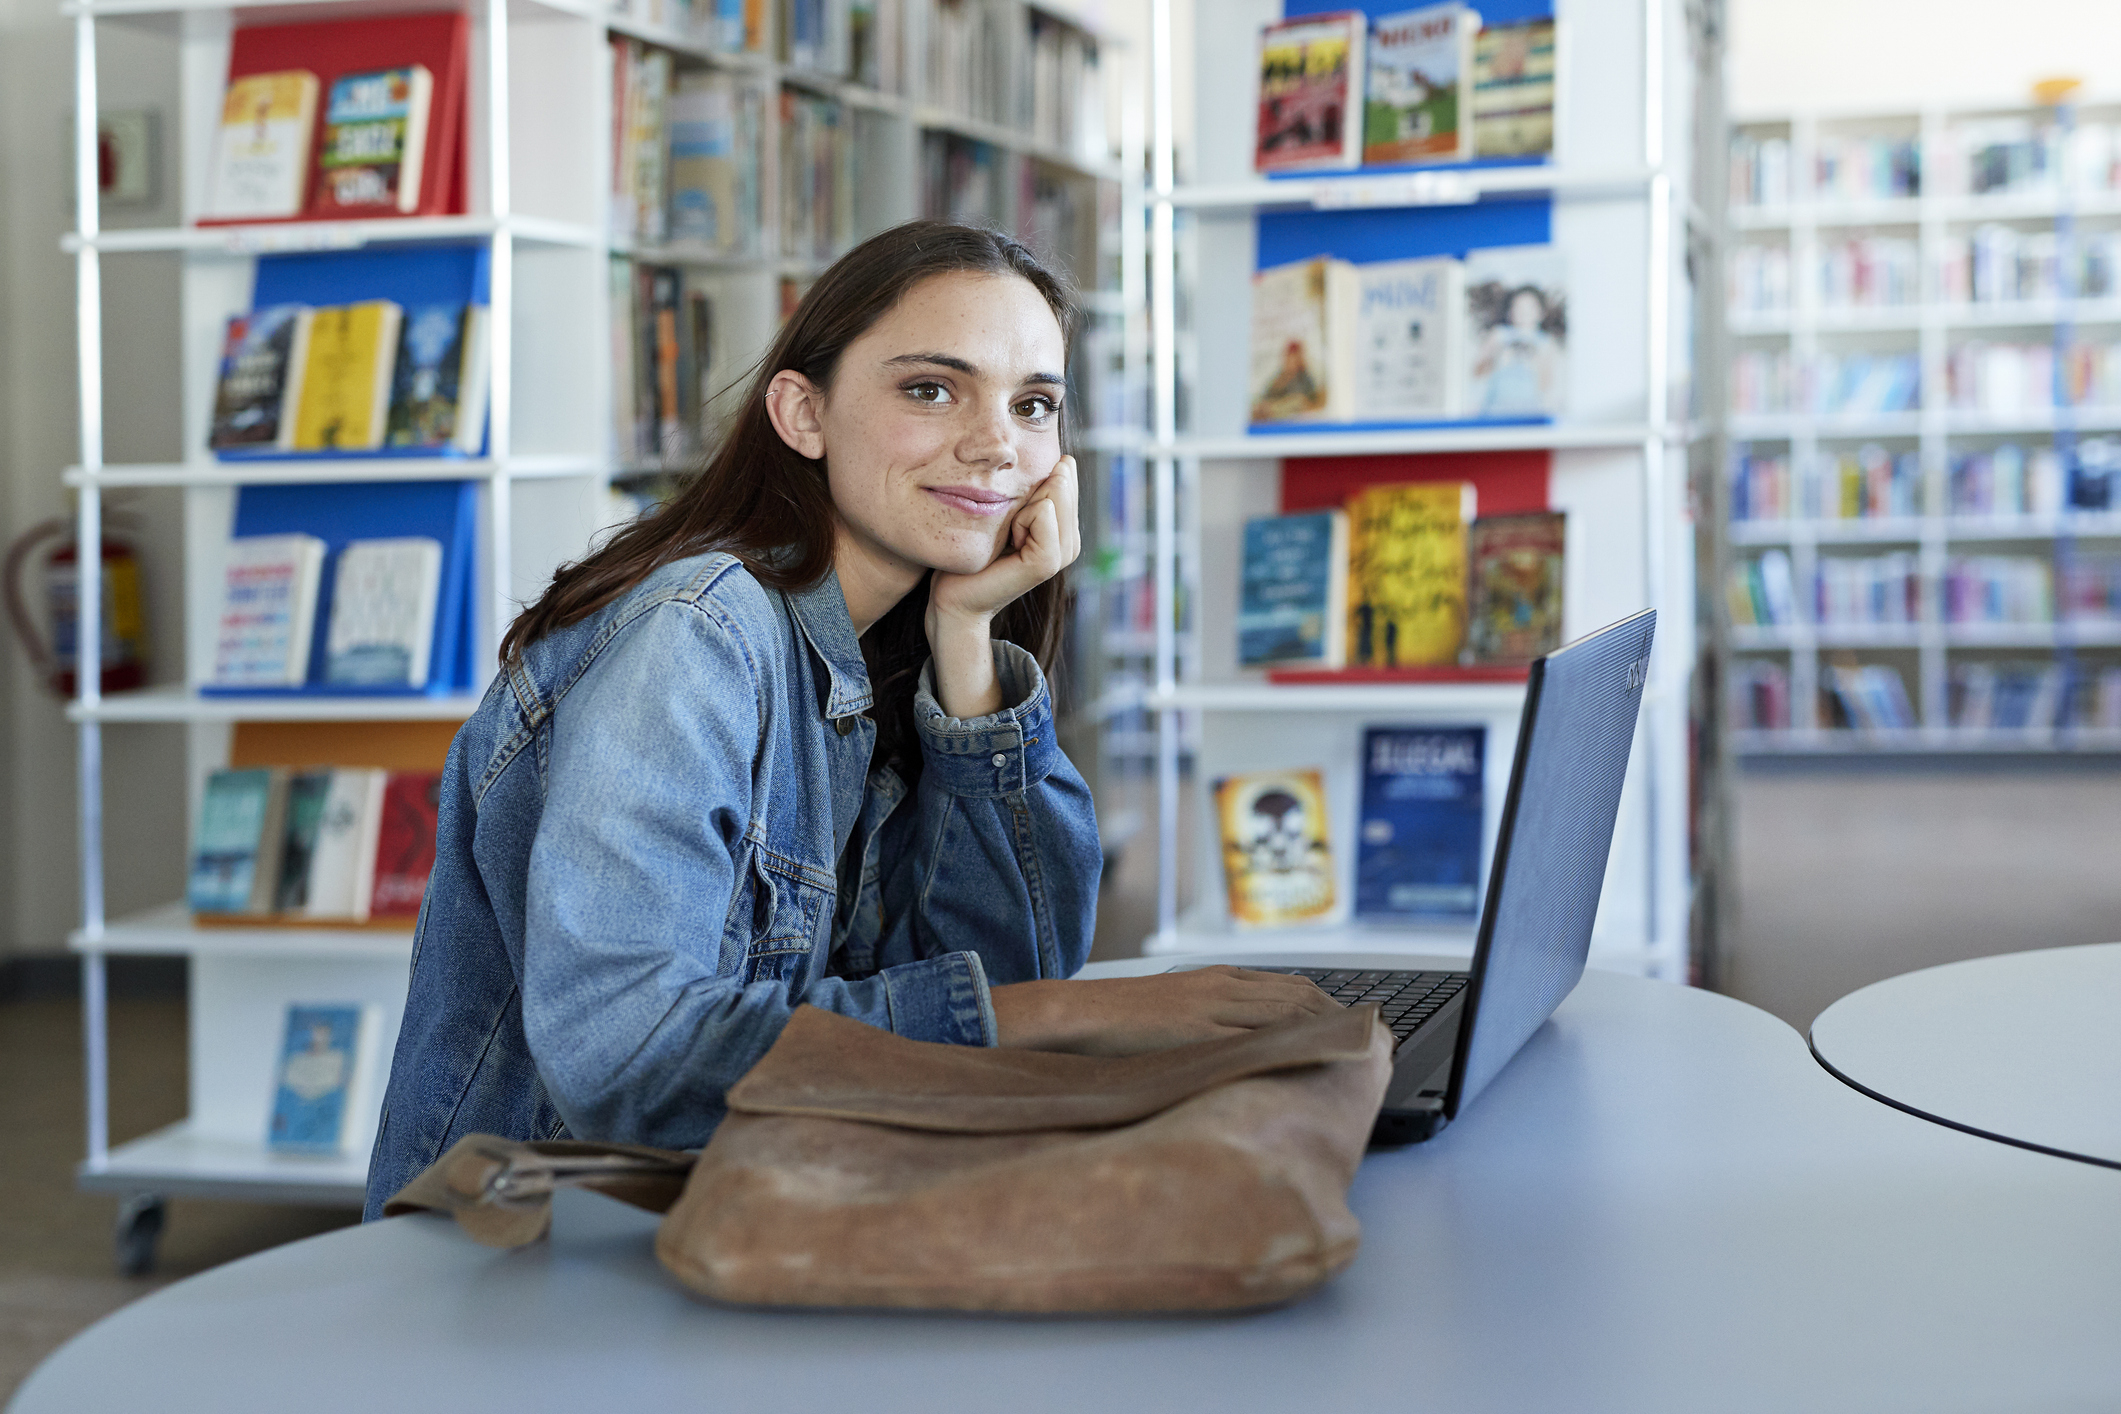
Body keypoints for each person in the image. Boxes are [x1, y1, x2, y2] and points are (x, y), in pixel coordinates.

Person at [364, 222, 1334, 1217]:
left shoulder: (889, 648)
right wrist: (1078, 1015)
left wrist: (967, 640)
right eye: (931, 388)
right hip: (535, 1272)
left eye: (1034, 403)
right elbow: (628, 1054)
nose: (996, 442)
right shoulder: (695, 636)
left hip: (753, 1227)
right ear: (803, 412)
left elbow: (1003, 983)